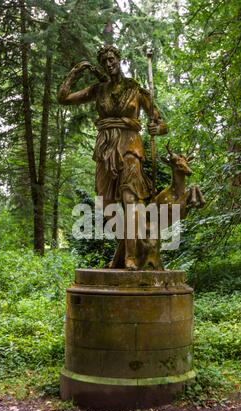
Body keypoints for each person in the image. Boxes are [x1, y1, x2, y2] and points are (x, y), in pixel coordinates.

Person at [58, 45, 168, 270]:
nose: (109, 64)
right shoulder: (99, 90)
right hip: (105, 148)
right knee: (106, 205)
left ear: (119, 59)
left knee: (130, 200)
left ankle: (130, 257)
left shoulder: (135, 89)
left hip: (130, 145)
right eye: (104, 61)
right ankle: (126, 247)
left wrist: (159, 128)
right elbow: (64, 98)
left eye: (112, 59)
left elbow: (159, 120)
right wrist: (76, 71)